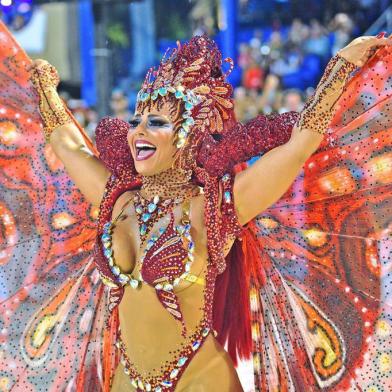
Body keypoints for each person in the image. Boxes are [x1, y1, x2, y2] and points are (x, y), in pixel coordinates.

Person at [1, 25, 391, 392]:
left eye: (156, 123)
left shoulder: (215, 208)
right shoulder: (118, 200)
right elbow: (70, 147)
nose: (139, 131)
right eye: (137, 120)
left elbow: (298, 145)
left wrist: (341, 67)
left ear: (186, 137)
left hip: (199, 378)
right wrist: (45, 89)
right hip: (126, 378)